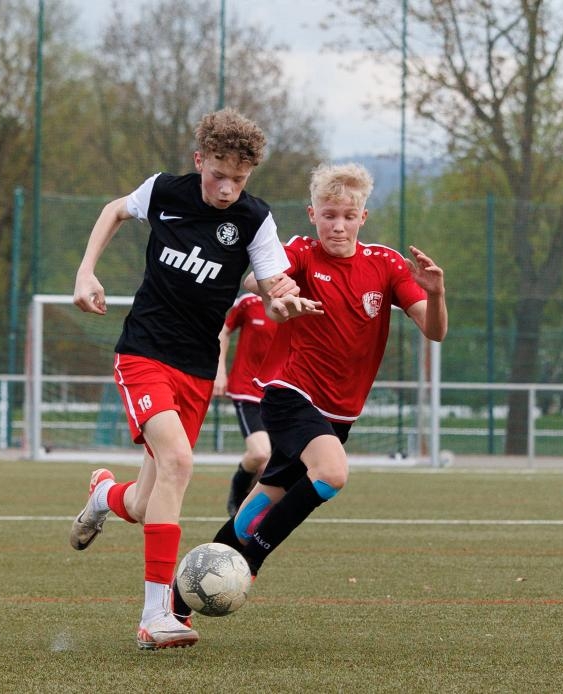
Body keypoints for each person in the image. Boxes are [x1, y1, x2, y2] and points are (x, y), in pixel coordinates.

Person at [172, 161, 447, 623]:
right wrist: (275, 287)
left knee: (258, 507)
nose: (337, 225)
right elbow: (256, 279)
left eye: (348, 216)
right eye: (328, 215)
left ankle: (178, 600)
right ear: (312, 213)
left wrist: (436, 295)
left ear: (363, 217)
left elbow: (435, 332)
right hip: (288, 393)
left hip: (338, 414)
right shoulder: (300, 251)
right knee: (332, 473)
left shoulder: (385, 264)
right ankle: (251, 562)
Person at [68, 108, 296, 650]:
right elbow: (114, 209)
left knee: (143, 503)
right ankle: (155, 617)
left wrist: (286, 301)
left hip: (195, 369)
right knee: (178, 461)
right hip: (143, 353)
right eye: (218, 175)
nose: (227, 188)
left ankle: (103, 496)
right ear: (200, 161)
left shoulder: (255, 219)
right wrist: (85, 270)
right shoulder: (164, 191)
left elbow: (273, 287)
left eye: (238, 179)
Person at [216, 292, 277, 516]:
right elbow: (224, 331)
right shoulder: (249, 302)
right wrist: (220, 371)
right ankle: (238, 493)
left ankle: (253, 512)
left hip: (278, 394)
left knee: (273, 464)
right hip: (247, 390)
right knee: (260, 454)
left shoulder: (298, 304)